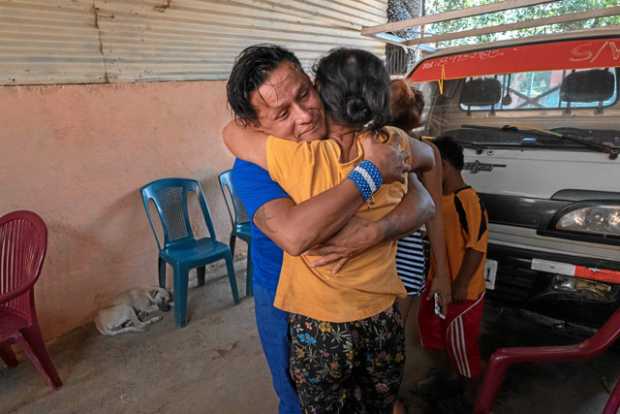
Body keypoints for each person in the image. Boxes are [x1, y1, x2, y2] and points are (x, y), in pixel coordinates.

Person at [225, 45, 436, 413]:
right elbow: (294, 236)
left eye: (304, 93)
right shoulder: (255, 166)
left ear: (315, 82)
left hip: (369, 304)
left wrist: (376, 231)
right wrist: (369, 175)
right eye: (282, 113)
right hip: (287, 298)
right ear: (256, 127)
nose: (305, 115)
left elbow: (424, 199)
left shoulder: (365, 136)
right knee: (298, 399)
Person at [417, 135, 489, 410]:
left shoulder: (467, 200)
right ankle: (448, 382)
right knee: (440, 337)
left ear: (443, 166)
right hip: (440, 287)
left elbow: (476, 247)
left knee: (462, 346)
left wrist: (460, 284)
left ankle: (471, 396)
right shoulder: (439, 202)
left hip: (464, 292)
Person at [388, 79, 451, 338]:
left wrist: (442, 273)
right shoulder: (428, 150)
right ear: (418, 118)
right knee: (391, 337)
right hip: (402, 256)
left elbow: (433, 213)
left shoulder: (371, 144)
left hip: (384, 252)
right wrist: (442, 273)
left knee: (380, 337)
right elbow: (435, 215)